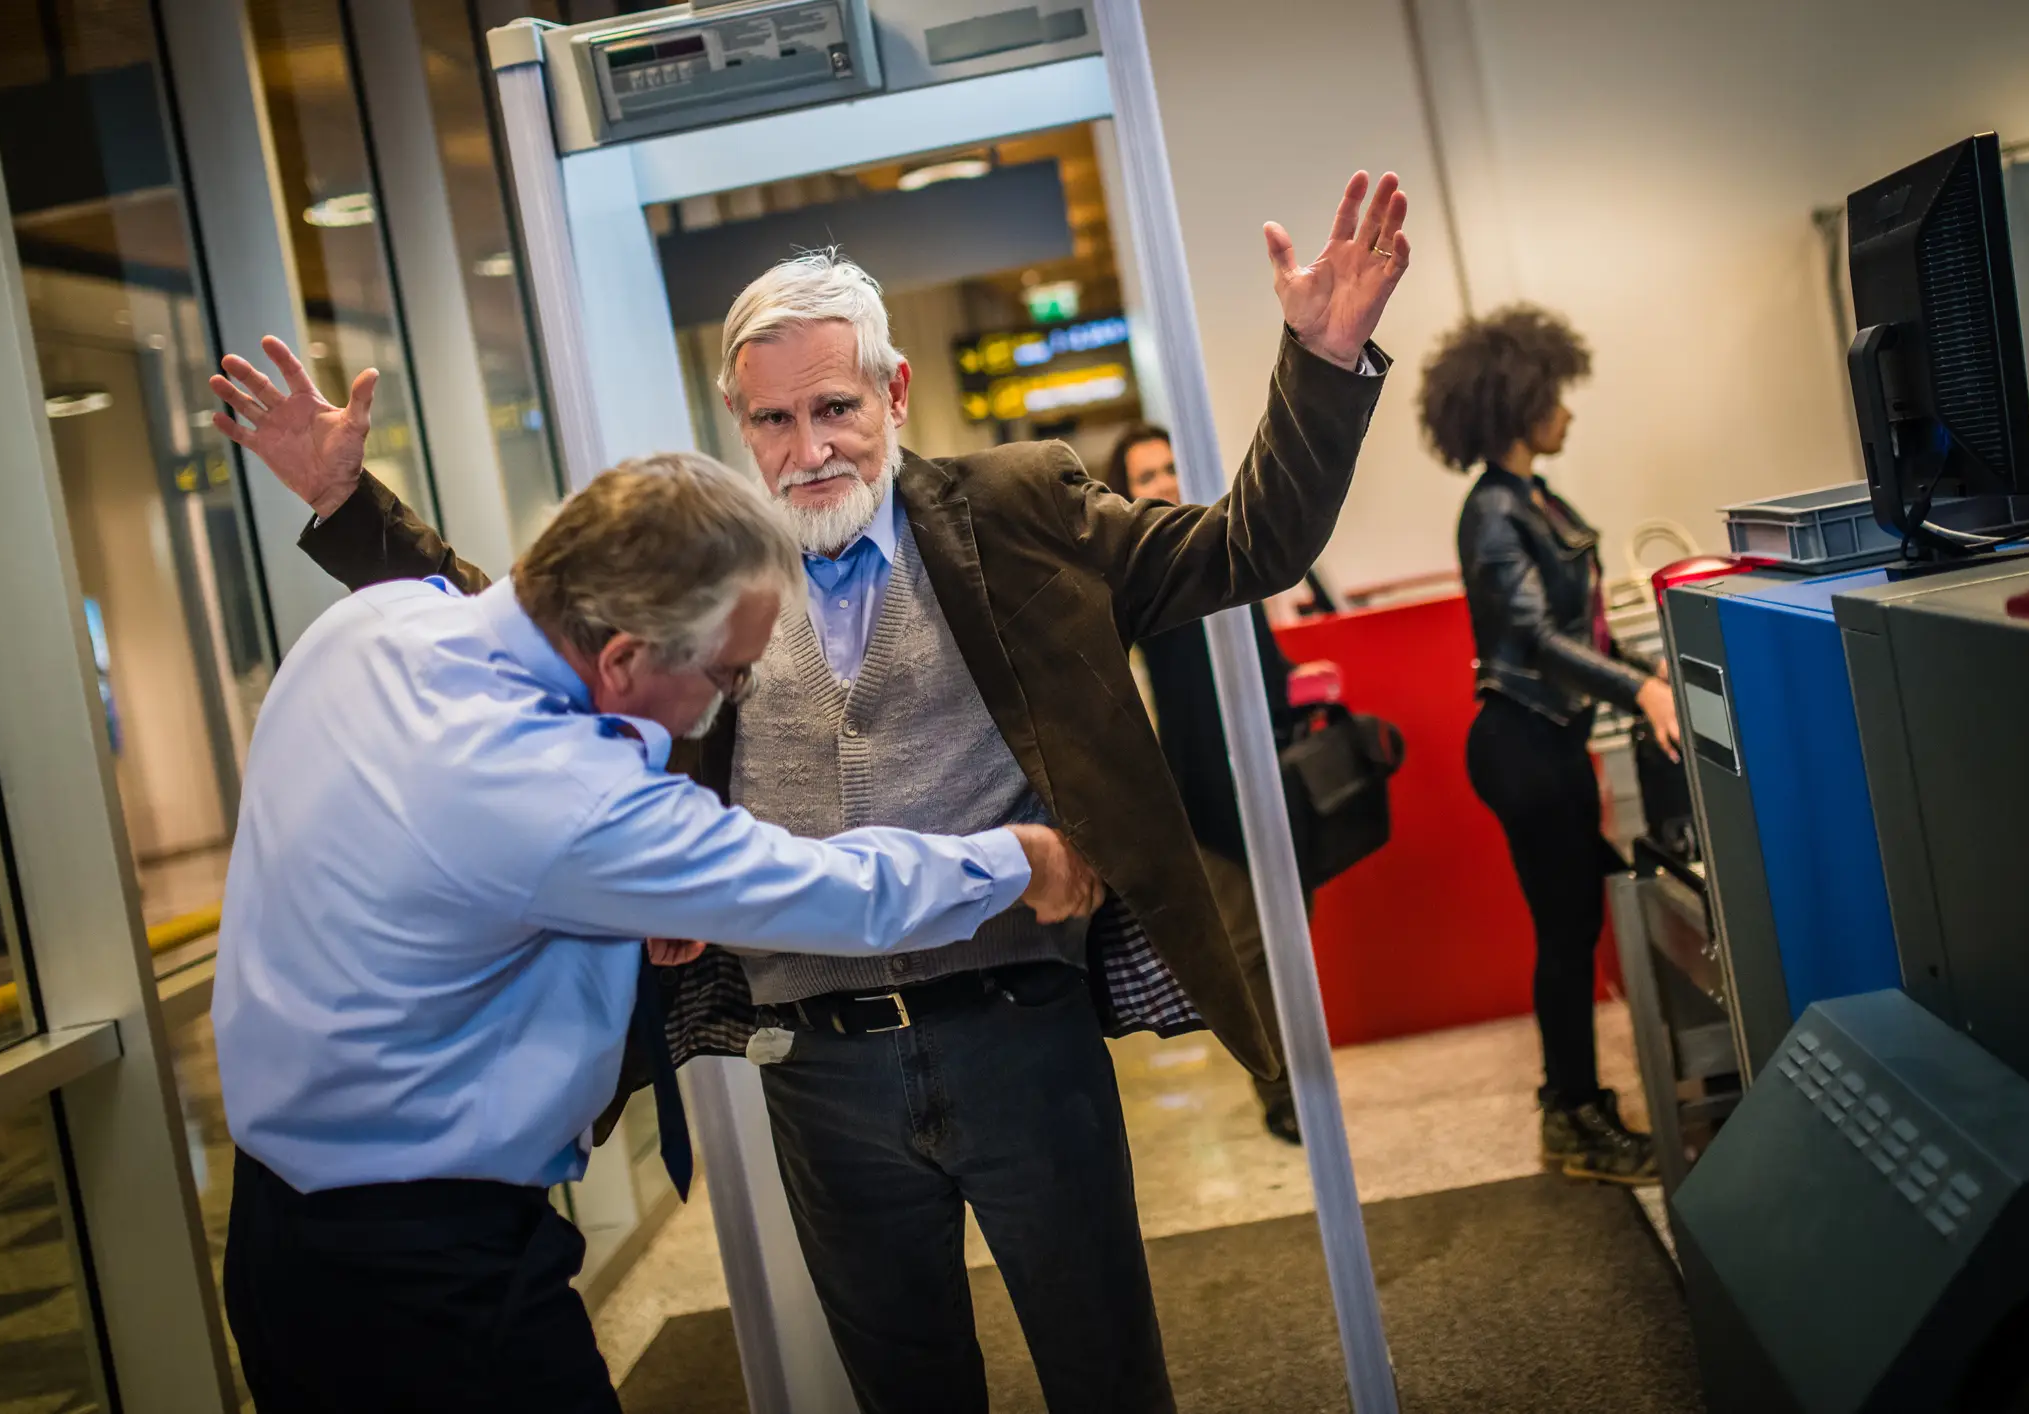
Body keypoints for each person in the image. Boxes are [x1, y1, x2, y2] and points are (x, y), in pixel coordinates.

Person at [225, 166, 1411, 1414]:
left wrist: (1323, 362)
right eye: (774, 421)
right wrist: (348, 506)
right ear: (739, 423)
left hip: (1020, 1030)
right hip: (818, 1065)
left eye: (836, 407)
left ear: (894, 391)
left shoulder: (1016, 510)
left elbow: (1245, 546)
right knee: (904, 1388)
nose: (809, 450)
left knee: (1104, 1369)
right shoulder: (714, 573)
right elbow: (536, 623)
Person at [208, 441, 1103, 1414]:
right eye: (732, 676)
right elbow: (832, 888)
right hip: (426, 1280)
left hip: (276, 1237)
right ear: (624, 658)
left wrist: (614, 915)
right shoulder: (568, 796)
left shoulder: (369, 625)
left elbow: (431, 881)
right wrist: (1020, 859)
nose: (730, 702)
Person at [1416, 305, 1680, 1186]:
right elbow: (1534, 639)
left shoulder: (1533, 500)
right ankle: (1571, 1116)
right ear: (1516, 404)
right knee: (1566, 935)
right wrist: (1639, 690)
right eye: (1553, 396)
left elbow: (1583, 630)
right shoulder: (1494, 512)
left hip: (1548, 740)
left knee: (1575, 923)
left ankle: (1573, 1105)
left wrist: (1646, 669)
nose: (1566, 411)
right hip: (1521, 746)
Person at [1110, 423, 1305, 1144]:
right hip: (1200, 794)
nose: (1162, 482)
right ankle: (1279, 1090)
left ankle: (1306, 1075)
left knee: (1291, 937)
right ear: (1123, 493)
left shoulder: (1227, 546)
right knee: (1247, 947)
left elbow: (1264, 659)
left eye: (1169, 466)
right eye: (1145, 475)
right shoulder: (1134, 578)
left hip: (1269, 777)